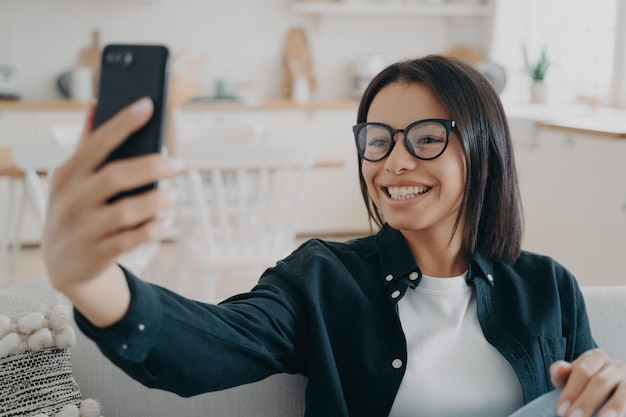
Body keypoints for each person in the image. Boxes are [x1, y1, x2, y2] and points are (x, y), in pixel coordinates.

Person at [43, 55, 626, 417]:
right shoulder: (323, 278)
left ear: (484, 149)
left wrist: (611, 391)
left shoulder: (548, 286)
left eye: (425, 138)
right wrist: (91, 278)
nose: (393, 162)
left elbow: (586, 399)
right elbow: (211, 346)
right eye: (378, 139)